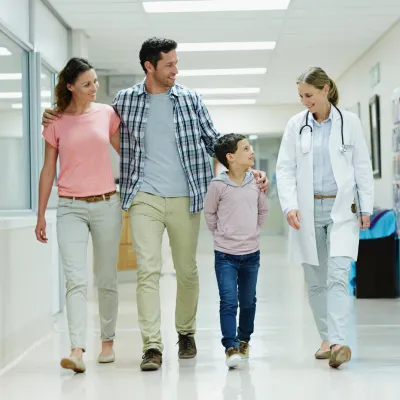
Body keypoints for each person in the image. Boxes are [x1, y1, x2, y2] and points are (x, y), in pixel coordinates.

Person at [42, 37, 268, 371]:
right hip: (144, 196)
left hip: (186, 196)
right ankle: (152, 345)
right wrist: (53, 112)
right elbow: (85, 117)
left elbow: (215, 143)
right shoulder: (125, 100)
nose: (176, 69)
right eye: (169, 64)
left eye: (176, 63)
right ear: (149, 66)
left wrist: (249, 170)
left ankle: (186, 332)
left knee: (187, 271)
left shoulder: (190, 99)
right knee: (148, 270)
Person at [276, 67, 374, 369]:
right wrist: (290, 205)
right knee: (315, 281)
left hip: (342, 209)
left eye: (308, 95)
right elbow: (285, 169)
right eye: (301, 96)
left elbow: (361, 166)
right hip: (307, 211)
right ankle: (327, 337)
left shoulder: (350, 123)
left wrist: (367, 206)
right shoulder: (296, 125)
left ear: (325, 90)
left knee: (337, 276)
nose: (304, 101)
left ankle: (337, 341)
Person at [35, 57, 122, 373]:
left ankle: (108, 342)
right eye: (87, 84)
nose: (94, 88)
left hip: (106, 204)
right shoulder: (55, 121)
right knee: (75, 279)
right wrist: (41, 214)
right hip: (70, 206)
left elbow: (126, 154)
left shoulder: (107, 114)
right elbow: (48, 170)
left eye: (96, 81)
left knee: (107, 277)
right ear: (70, 86)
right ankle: (76, 349)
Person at [203, 134, 268, 369]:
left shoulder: (256, 183)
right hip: (225, 256)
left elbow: (263, 211)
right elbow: (209, 215)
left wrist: (250, 232)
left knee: (248, 301)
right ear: (230, 157)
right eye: (246, 149)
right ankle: (230, 346)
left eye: (251, 147)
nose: (251, 152)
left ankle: (244, 340)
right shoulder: (218, 186)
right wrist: (223, 234)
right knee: (228, 301)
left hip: (251, 254)